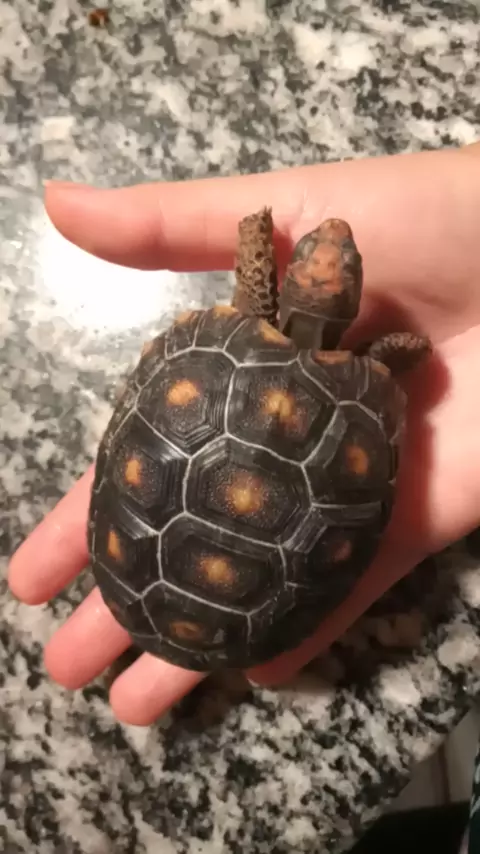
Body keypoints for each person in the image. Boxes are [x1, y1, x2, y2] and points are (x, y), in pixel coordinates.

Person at [8, 142, 480, 728]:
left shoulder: (340, 357)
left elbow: (396, 352)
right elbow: (404, 356)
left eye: (340, 261)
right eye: (315, 252)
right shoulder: (373, 377)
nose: (333, 238)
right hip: (250, 627)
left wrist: (257, 233)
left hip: (142, 589)